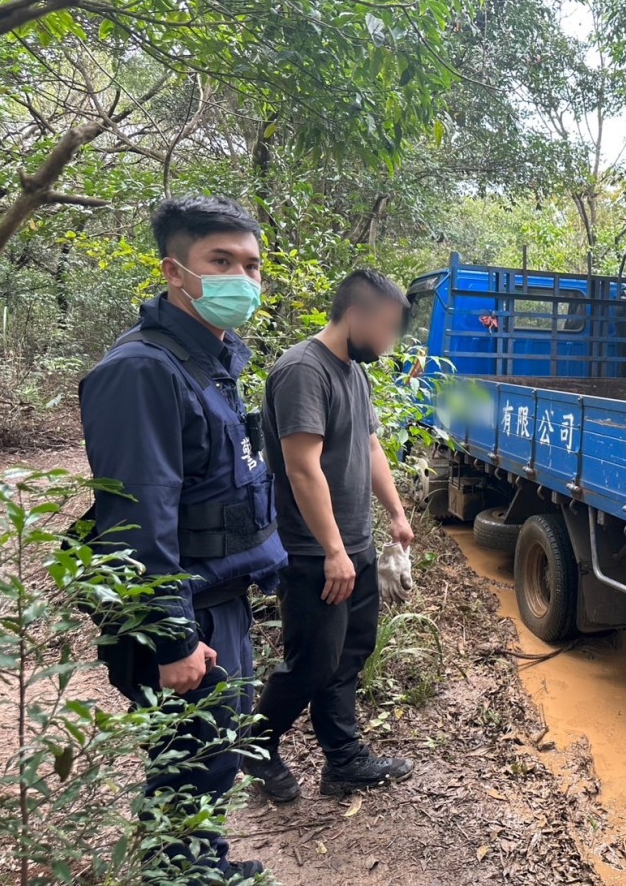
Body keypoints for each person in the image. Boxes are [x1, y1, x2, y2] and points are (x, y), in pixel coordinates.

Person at [79, 196, 286, 880]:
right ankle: (183, 874)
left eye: (252, 265)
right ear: (175, 271)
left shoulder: (214, 360)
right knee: (192, 754)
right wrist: (169, 641)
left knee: (213, 749)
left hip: (218, 595)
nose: (243, 280)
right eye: (220, 262)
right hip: (184, 610)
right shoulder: (142, 371)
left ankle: (199, 865)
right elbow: (139, 517)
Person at [247, 269, 416, 802]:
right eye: (386, 330)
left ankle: (342, 760)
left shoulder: (354, 373)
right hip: (314, 552)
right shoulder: (302, 369)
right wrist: (333, 552)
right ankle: (254, 750)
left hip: (357, 545)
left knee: (350, 653)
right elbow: (302, 468)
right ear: (357, 315)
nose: (389, 344)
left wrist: (395, 511)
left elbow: (368, 449)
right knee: (313, 661)